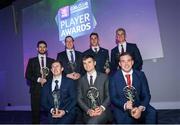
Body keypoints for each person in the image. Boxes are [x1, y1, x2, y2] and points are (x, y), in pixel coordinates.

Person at [109, 52, 157, 124]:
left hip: (139, 105)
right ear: (119, 64)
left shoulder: (140, 75)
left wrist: (140, 108)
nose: (126, 64)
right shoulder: (113, 77)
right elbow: (113, 98)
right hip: (122, 107)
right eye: (123, 61)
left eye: (128, 60)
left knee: (152, 113)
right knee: (123, 120)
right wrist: (125, 105)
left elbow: (146, 95)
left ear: (132, 62)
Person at [25, 40, 54, 124]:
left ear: (46, 48)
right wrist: (39, 79)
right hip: (35, 91)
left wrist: (46, 80)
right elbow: (27, 75)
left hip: (48, 91)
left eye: (44, 47)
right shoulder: (32, 61)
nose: (42, 48)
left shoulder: (51, 61)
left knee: (51, 112)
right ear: (37, 48)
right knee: (35, 113)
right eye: (40, 47)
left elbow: (55, 74)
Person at [77, 55, 111, 124]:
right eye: (84, 63)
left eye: (89, 62)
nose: (87, 65)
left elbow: (109, 96)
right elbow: (79, 99)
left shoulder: (104, 77)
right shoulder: (81, 80)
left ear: (94, 63)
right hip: (88, 114)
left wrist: (101, 108)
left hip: (103, 111)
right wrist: (88, 110)